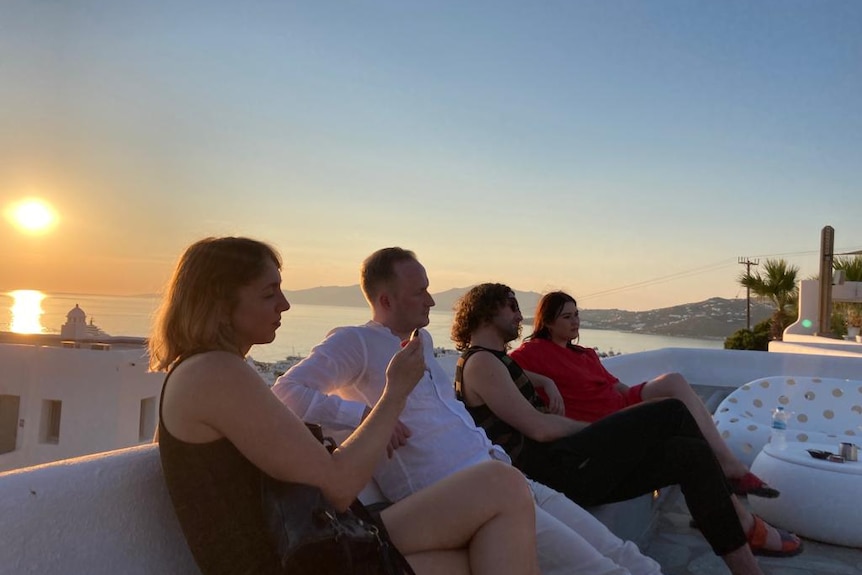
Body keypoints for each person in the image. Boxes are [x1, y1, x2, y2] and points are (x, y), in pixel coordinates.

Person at [151, 237, 540, 575]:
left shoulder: (205, 371)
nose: (284, 305)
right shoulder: (214, 372)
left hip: (316, 543)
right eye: (269, 294)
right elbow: (336, 486)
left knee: (479, 555)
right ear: (219, 303)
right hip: (302, 559)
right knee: (501, 484)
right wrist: (393, 394)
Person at [274, 247, 665, 575]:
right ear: (386, 300)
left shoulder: (421, 342)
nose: (430, 300)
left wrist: (541, 382)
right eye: (420, 292)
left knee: (625, 554)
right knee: (604, 571)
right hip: (456, 496)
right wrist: (362, 418)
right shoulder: (355, 342)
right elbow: (286, 392)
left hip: (504, 476)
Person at [451, 283, 803, 573]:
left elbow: (522, 376)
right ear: (486, 312)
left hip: (569, 463)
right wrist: (595, 431)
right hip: (553, 470)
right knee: (670, 411)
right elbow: (539, 429)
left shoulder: (496, 361)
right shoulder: (481, 362)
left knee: (690, 453)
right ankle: (735, 493)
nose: (518, 314)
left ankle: (745, 567)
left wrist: (548, 382)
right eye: (511, 306)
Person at [509, 291, 777, 498]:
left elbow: (615, 386)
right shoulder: (532, 353)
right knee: (677, 424)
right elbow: (503, 367)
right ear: (548, 321)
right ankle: (724, 482)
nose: (575, 321)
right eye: (567, 316)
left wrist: (641, 400)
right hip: (601, 423)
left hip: (620, 405)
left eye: (577, 314)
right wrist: (546, 381)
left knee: (674, 382)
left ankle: (726, 465)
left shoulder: (584, 353)